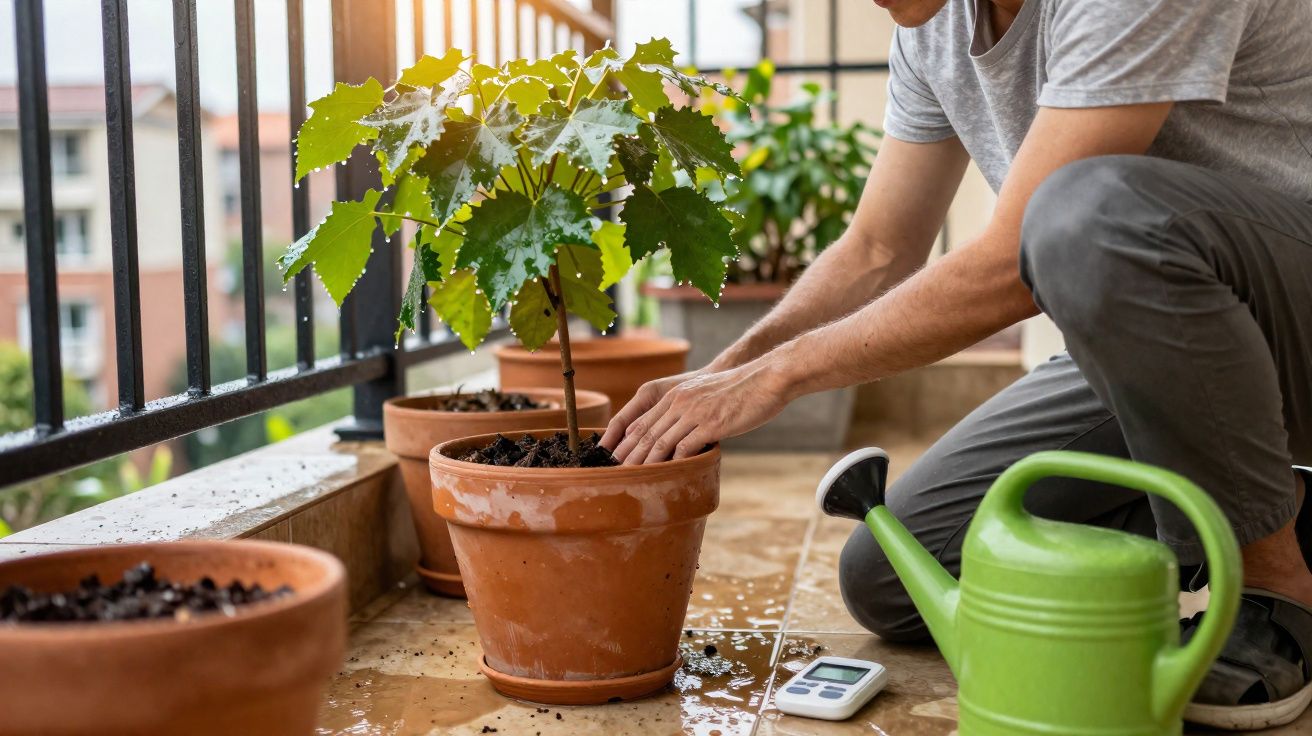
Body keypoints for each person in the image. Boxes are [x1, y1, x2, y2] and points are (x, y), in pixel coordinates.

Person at [600, 0, 1312, 729]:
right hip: (1170, 348)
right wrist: (734, 368)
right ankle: (1279, 507)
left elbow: (1015, 262)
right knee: (897, 571)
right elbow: (880, 247)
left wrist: (781, 377)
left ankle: (1271, 587)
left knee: (1084, 214)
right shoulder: (936, 27)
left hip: (1295, 317)